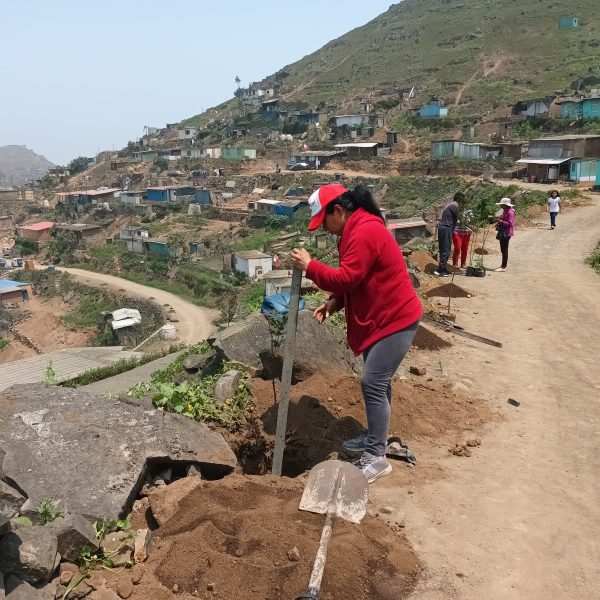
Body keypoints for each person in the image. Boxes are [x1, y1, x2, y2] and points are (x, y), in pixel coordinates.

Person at [290, 184, 422, 483]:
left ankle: (376, 458)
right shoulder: (353, 231)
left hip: (395, 319)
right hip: (382, 318)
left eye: (323, 221)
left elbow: (348, 277)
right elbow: (358, 280)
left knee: (372, 382)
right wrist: (334, 303)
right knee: (379, 381)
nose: (324, 228)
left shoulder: (363, 232)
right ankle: (376, 437)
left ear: (339, 210)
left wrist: (311, 266)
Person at [435, 192, 465, 277]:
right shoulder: (455, 206)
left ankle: (443, 268)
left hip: (444, 227)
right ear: (459, 199)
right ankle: (440, 270)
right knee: (446, 249)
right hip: (446, 228)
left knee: (444, 248)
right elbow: (459, 218)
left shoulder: (451, 205)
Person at [495, 197, 515, 272]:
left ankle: (503, 266)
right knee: (503, 249)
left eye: (502, 204)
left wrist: (500, 221)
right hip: (504, 231)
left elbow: (510, 224)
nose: (501, 206)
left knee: (504, 249)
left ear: (505, 205)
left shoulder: (510, 212)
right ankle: (503, 266)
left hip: (506, 233)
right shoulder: (505, 211)